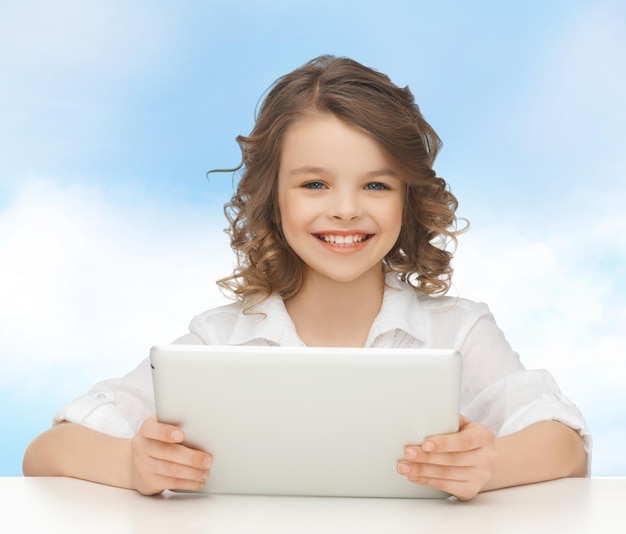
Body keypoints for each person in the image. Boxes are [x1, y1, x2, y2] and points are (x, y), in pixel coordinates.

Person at [23, 55, 590, 500]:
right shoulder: (220, 342)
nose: (345, 209)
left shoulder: (457, 332)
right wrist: (131, 463)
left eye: (376, 184)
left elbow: (566, 447)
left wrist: (487, 467)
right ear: (272, 201)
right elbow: (47, 452)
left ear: (408, 200)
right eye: (315, 184)